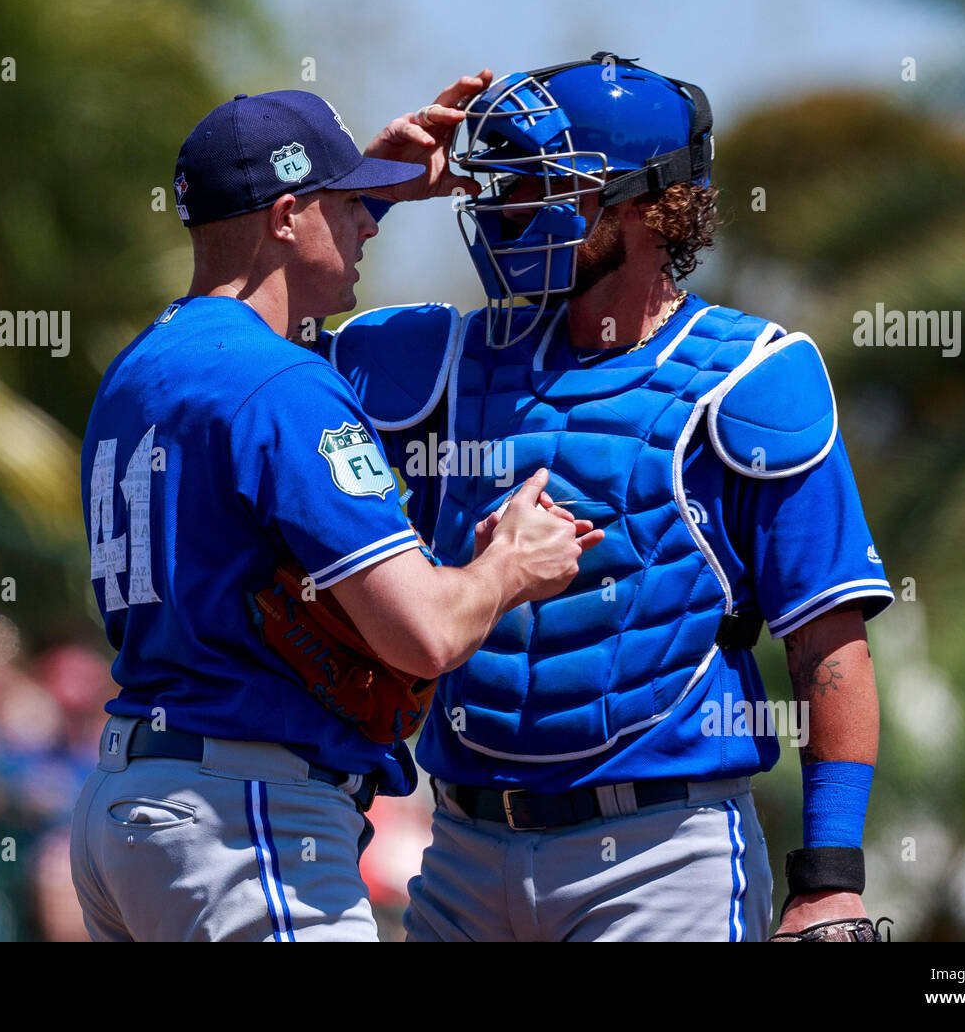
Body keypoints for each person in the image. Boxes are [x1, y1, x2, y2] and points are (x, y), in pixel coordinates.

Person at [332, 53, 894, 941]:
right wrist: (364, 194)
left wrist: (829, 880)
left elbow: (828, 642)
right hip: (464, 847)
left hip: (661, 855)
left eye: (536, 187)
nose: (499, 209)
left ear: (640, 203)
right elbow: (240, 366)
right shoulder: (442, 357)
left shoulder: (752, 377)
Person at [68, 86, 599, 942]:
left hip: (129, 811)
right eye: (351, 205)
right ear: (286, 215)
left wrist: (374, 181)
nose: (371, 225)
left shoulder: (141, 368)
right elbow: (421, 635)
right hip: (244, 819)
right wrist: (510, 565)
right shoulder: (284, 386)